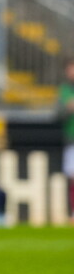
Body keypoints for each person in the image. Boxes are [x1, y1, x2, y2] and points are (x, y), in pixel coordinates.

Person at [58, 58, 74, 224]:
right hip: (71, 139)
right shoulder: (64, 90)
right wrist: (67, 108)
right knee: (72, 177)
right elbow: (57, 114)